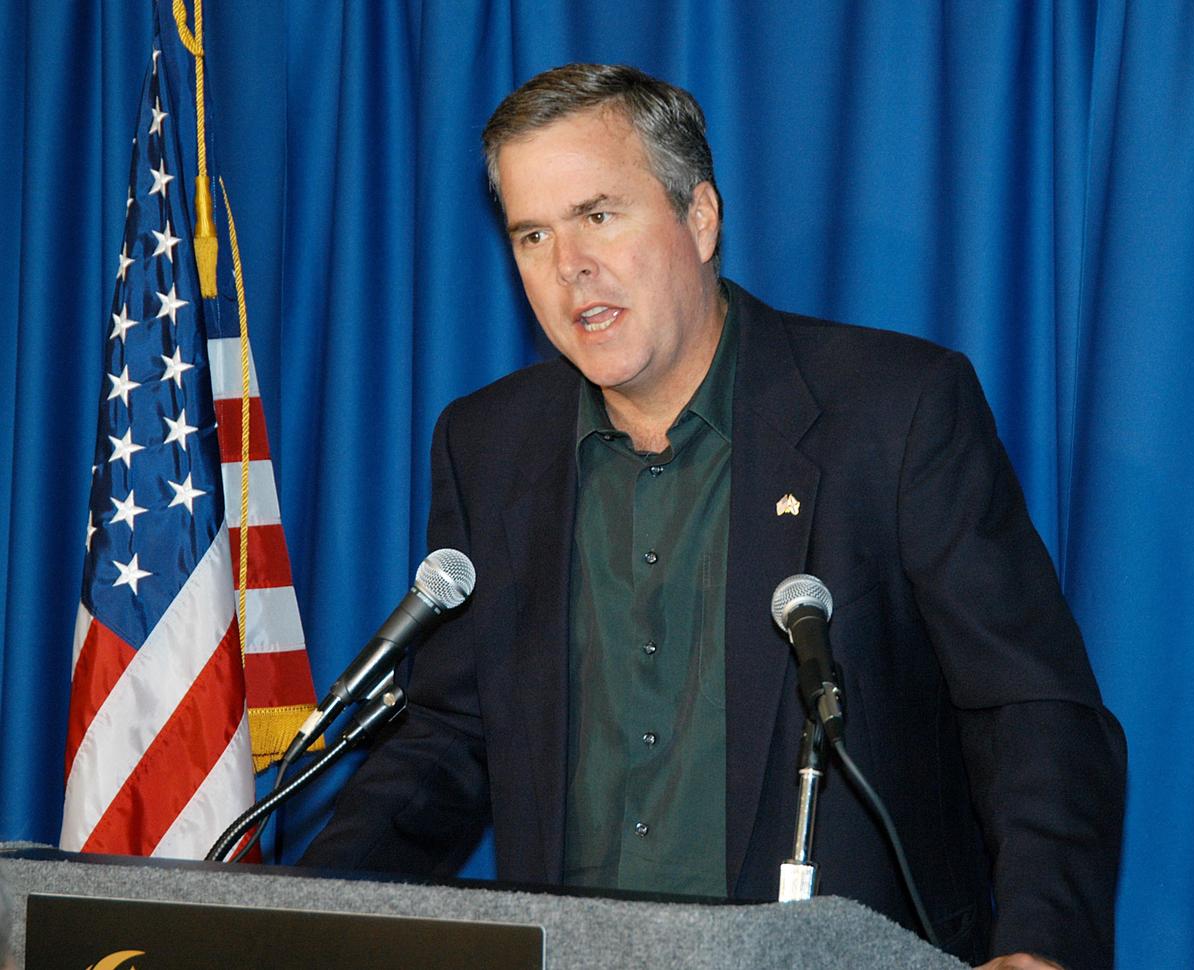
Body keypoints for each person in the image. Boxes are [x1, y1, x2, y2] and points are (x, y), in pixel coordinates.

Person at [303, 63, 1126, 969]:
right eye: (532, 234)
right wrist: (291, 921)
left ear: (700, 217)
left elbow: (1032, 711)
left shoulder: (895, 411)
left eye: (599, 215)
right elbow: (450, 738)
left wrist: (1043, 945)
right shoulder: (489, 444)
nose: (569, 266)